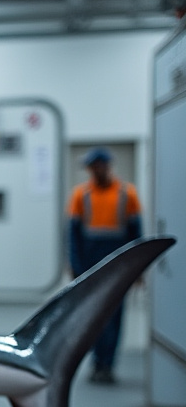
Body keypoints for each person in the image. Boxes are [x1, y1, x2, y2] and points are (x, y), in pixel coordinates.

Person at [67, 147, 142, 384]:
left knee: (114, 314)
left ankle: (108, 364)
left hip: (118, 263)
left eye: (99, 166)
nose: (95, 171)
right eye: (92, 167)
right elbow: (72, 236)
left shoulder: (127, 194)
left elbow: (136, 234)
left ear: (107, 166)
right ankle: (97, 363)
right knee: (93, 315)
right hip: (91, 263)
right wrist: (76, 268)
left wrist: (137, 269)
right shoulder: (81, 195)